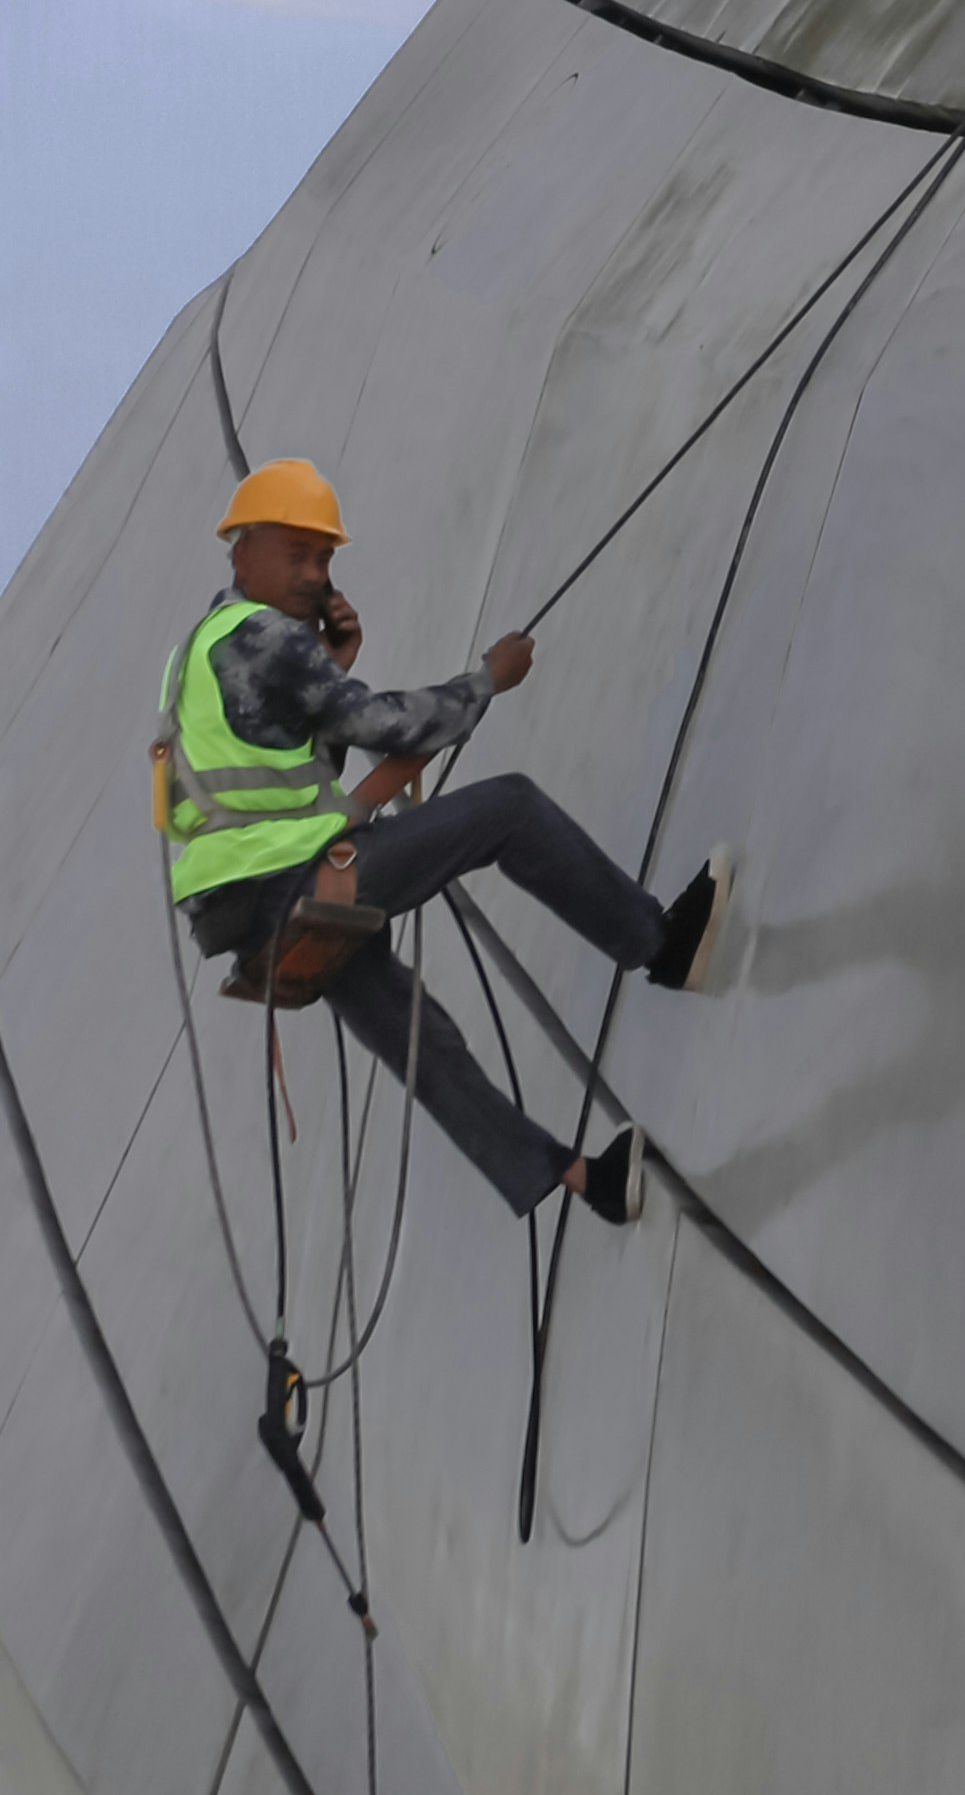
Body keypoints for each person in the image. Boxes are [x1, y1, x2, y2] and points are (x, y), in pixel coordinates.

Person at [157, 459, 732, 1233]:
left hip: (238, 915)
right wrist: (488, 679)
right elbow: (386, 729)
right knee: (511, 810)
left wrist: (333, 669)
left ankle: (584, 1180)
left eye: (324, 558)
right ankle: (661, 946)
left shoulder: (200, 654)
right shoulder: (259, 637)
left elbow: (283, 775)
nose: (314, 575)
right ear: (242, 551)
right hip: (282, 884)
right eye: (297, 554)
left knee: (417, 1040)